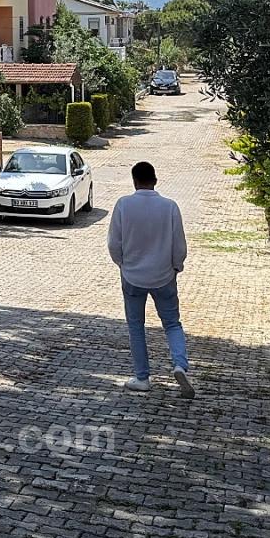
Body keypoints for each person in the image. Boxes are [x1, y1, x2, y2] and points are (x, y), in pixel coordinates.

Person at [107, 161, 194, 396]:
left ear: (134, 181)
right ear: (155, 180)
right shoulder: (170, 207)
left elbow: (114, 243)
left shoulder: (123, 205)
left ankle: (142, 377)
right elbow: (179, 245)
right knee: (172, 323)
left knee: (136, 326)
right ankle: (180, 364)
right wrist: (176, 267)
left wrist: (122, 264)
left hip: (132, 276)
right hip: (164, 276)